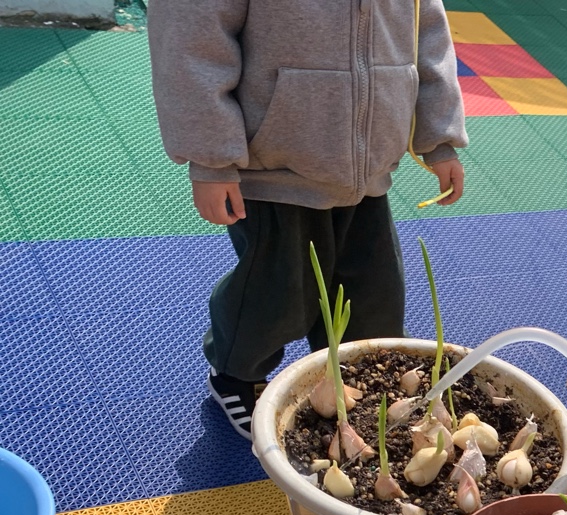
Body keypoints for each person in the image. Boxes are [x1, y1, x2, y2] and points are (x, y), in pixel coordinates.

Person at [148, 0, 468, 440]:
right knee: (275, 294)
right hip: (274, 170)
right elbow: (193, 38)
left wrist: (439, 138)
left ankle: (352, 376)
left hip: (367, 172)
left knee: (374, 296)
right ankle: (235, 374)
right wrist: (211, 159)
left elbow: (427, 32)